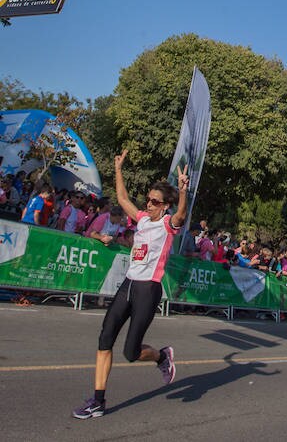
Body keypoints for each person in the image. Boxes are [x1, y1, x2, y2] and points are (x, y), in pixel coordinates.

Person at [72, 149, 189, 419]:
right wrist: (118, 168)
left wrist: (183, 191)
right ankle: (98, 400)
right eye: (148, 199)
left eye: (154, 202)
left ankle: (161, 357)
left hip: (148, 289)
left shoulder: (169, 225)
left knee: (131, 352)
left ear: (165, 206)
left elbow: (181, 216)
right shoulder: (143, 220)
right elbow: (123, 198)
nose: (148, 204)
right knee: (105, 338)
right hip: (129, 284)